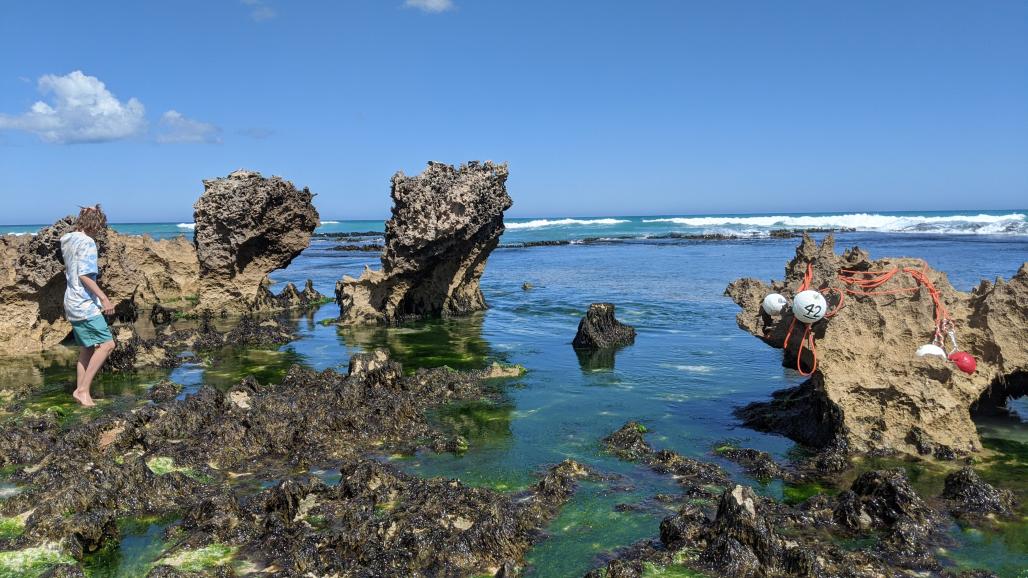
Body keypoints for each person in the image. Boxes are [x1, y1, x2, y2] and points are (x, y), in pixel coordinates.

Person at [60, 205, 116, 406]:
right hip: (84, 303)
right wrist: (105, 299)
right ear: (96, 224)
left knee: (87, 348)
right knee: (108, 344)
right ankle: (83, 390)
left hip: (71, 301)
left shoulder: (67, 240)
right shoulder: (88, 242)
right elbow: (84, 275)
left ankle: (82, 394)